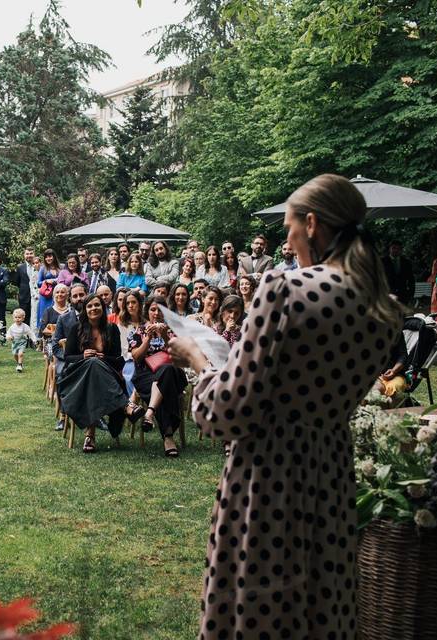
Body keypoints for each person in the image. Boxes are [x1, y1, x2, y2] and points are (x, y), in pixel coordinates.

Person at [168, 172, 401, 640]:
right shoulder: (383, 310)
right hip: (332, 475)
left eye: (290, 229)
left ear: (312, 224)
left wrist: (199, 361)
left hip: (269, 481)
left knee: (257, 611)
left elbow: (227, 412)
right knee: (321, 607)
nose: (288, 241)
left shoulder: (284, 291)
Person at [59, 293, 127, 453]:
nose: (93, 308)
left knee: (95, 365)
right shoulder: (77, 328)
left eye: (97, 305)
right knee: (92, 363)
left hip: (107, 376)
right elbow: (68, 357)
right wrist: (83, 356)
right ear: (85, 310)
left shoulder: (112, 329)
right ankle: (124, 403)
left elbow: (118, 360)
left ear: (103, 308)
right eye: (89, 306)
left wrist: (105, 358)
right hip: (78, 378)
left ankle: (90, 435)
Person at [128, 295, 186, 456]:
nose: (156, 313)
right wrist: (147, 338)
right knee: (165, 386)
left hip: (173, 372)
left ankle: (149, 412)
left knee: (167, 371)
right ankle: (168, 438)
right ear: (147, 311)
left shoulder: (173, 330)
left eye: (160, 310)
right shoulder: (138, 331)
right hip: (146, 375)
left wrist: (165, 335)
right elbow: (137, 357)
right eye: (153, 309)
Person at [117, 290, 144, 396]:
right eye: (128, 303)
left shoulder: (146, 322)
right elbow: (124, 350)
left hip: (147, 359)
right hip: (129, 360)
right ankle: (134, 403)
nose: (131, 306)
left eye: (133, 302)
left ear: (139, 304)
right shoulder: (123, 325)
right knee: (130, 375)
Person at [36, 249, 61, 330]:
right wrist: (46, 281)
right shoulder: (43, 268)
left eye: (50, 256)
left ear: (54, 257)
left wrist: (55, 280)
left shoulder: (60, 268)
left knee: (56, 316)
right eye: (46, 257)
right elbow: (38, 283)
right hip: (45, 297)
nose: (48, 259)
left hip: (57, 295)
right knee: (44, 317)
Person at [6, 308, 36, 373]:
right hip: (15, 342)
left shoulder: (25, 326)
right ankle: (19, 363)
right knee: (15, 354)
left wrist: (34, 340)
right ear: (13, 318)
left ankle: (19, 364)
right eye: (16, 317)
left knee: (20, 354)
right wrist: (9, 337)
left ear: (23, 318)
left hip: (22, 342)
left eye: (19, 317)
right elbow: (8, 333)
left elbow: (30, 333)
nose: (17, 319)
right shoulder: (12, 327)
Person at [12, 248, 36, 323]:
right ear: (24, 255)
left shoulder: (39, 266)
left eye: (31, 253)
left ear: (34, 254)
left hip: (36, 296)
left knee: (35, 316)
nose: (29, 255)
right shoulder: (20, 267)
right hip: (24, 297)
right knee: (24, 318)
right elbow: (17, 282)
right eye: (27, 254)